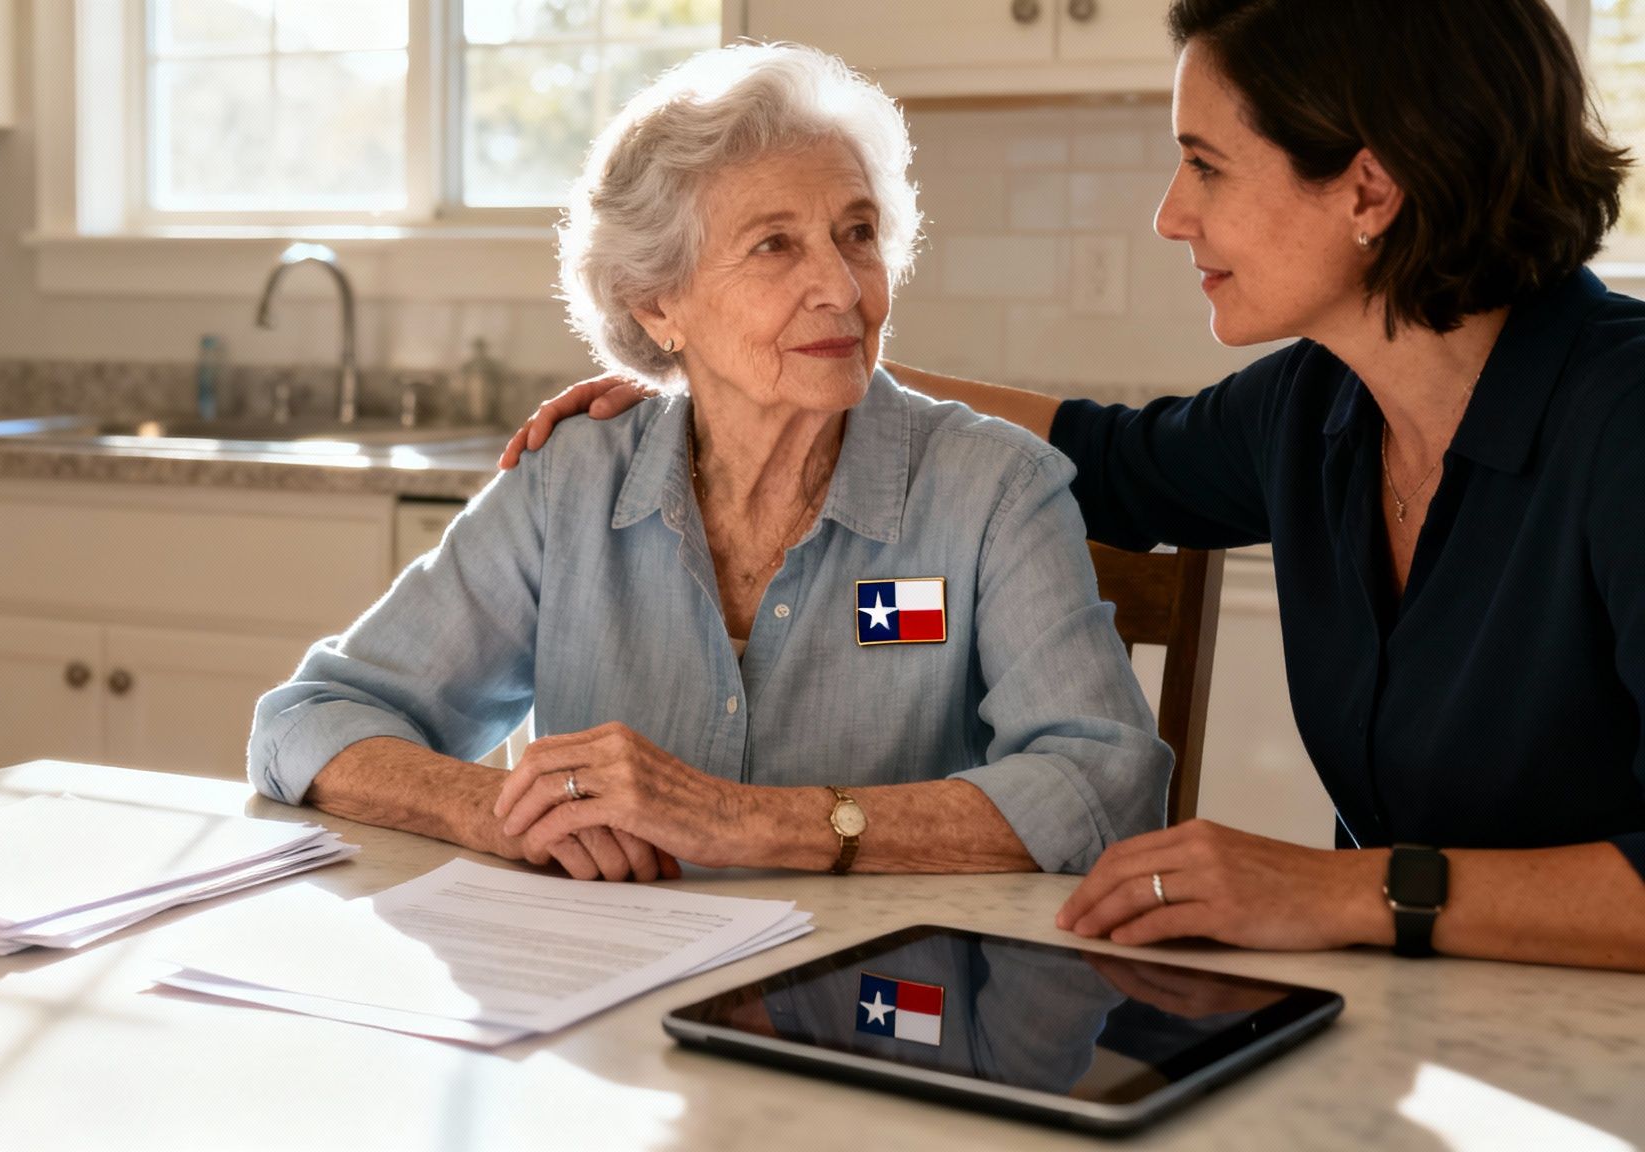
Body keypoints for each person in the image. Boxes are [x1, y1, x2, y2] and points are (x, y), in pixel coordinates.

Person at [500, 0, 1645, 968]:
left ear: (1367, 190)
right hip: (1425, 1023)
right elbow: (1104, 458)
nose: (1168, 212)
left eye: (1204, 164)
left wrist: (1343, 891)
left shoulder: (1623, 422)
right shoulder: (1314, 408)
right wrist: (736, 371)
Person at [248, 44, 1171, 883]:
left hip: (883, 1006)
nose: (844, 287)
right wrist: (504, 816)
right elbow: (307, 722)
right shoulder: (571, 484)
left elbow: (1107, 784)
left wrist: (748, 823)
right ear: (657, 305)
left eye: (857, 233)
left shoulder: (995, 491)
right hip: (602, 1010)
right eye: (775, 245)